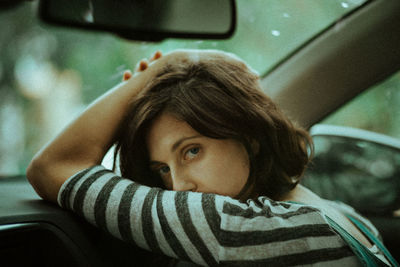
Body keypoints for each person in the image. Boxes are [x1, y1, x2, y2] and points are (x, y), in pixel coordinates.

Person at [26, 49, 398, 266]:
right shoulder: (343, 216)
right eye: (162, 170)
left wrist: (168, 64)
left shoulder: (232, 227)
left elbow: (53, 166)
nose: (178, 187)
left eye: (191, 151)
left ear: (249, 136)